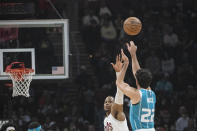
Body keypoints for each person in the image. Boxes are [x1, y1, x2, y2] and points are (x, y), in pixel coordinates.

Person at [116, 41, 156, 131]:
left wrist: (126, 64)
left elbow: (119, 83)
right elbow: (137, 73)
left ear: (136, 81)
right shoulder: (151, 92)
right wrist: (133, 55)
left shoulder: (136, 94)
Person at [103, 54, 129, 131]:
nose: (107, 103)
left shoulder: (118, 114)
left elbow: (120, 93)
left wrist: (118, 73)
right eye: (106, 102)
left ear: (115, 104)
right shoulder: (106, 119)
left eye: (110, 101)